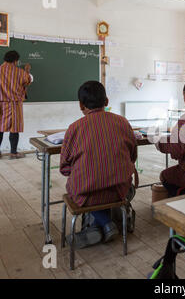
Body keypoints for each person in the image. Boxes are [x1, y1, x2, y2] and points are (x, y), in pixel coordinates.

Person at [60, 81, 137, 249]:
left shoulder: (74, 128)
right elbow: (132, 157)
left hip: (86, 195)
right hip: (119, 192)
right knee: (120, 184)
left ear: (81, 105)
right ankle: (108, 223)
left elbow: (64, 168)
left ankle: (101, 225)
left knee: (81, 185)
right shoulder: (122, 122)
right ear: (107, 101)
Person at [0, 50, 33, 159]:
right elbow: (27, 81)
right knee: (14, 130)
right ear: (16, 61)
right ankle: (13, 153)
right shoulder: (20, 72)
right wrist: (27, 71)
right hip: (14, 105)